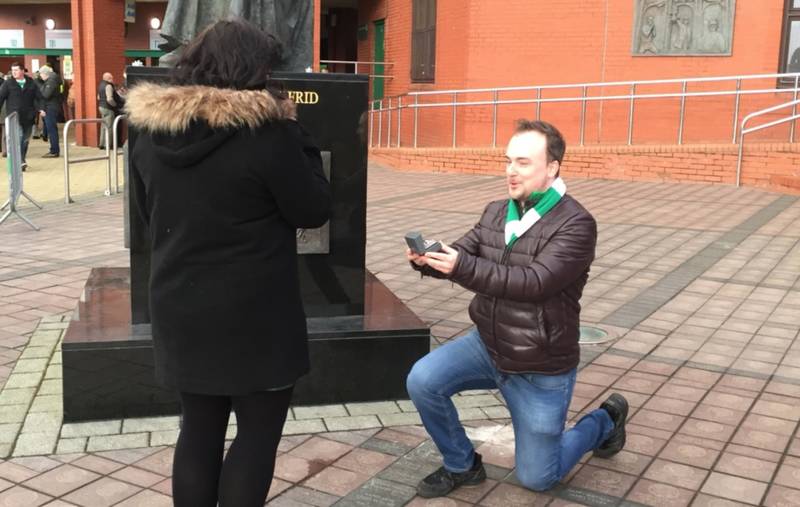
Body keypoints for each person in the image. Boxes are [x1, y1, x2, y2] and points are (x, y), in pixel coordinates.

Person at [126, 19, 331, 507]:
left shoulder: (150, 136)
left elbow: (143, 218)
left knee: (198, 430)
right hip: (255, 317)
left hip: (181, 308)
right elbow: (313, 209)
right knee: (257, 436)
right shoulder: (268, 135)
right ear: (249, 71)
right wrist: (296, 132)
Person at [405, 120, 628, 498]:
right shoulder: (496, 212)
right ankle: (462, 464)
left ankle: (604, 422)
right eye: (508, 161)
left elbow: (534, 282)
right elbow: (466, 253)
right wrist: (429, 260)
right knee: (422, 380)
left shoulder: (576, 224)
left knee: (539, 478)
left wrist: (460, 266)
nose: (511, 170)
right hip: (488, 345)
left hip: (539, 364)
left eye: (523, 162)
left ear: (552, 167)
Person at [0, 62, 46, 171]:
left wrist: (41, 108)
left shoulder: (31, 83)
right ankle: (20, 161)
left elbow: (40, 98)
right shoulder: (8, 83)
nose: (14, 72)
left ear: (22, 71)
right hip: (14, 116)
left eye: (16, 70)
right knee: (19, 137)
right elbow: (1, 98)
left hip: (29, 117)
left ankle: (21, 159)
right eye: (13, 70)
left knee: (25, 140)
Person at [39, 65, 63, 157]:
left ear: (45, 73)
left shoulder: (51, 81)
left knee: (51, 129)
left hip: (50, 108)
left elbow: (45, 95)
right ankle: (54, 149)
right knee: (51, 129)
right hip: (51, 107)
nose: (40, 76)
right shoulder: (52, 80)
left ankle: (54, 151)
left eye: (41, 74)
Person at [97, 72, 123, 149]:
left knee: (103, 126)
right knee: (109, 127)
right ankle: (107, 145)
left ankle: (101, 144)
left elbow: (98, 97)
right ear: (108, 78)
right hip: (108, 108)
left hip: (101, 107)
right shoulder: (108, 86)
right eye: (111, 78)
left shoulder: (100, 85)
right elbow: (109, 99)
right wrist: (115, 105)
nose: (112, 79)